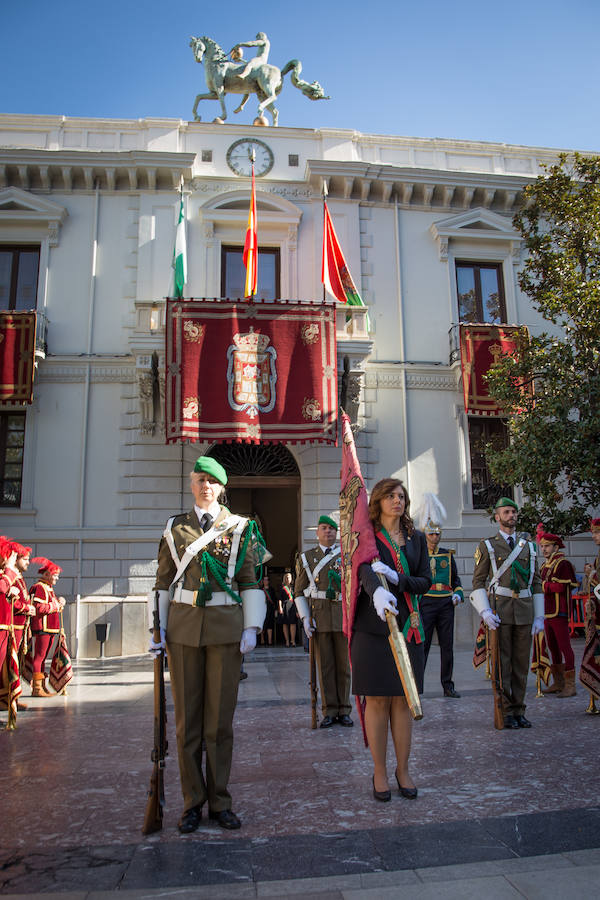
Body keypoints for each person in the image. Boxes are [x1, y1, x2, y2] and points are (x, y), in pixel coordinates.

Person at [150, 456, 268, 833]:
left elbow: (249, 581)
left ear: (222, 488)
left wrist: (252, 626)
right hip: (183, 631)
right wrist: (157, 630)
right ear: (191, 484)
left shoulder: (240, 528)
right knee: (188, 724)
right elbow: (163, 583)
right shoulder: (174, 528)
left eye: (212, 482)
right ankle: (191, 802)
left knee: (219, 723)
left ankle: (219, 801)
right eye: (200, 480)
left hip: (225, 631)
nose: (206, 487)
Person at [350, 478, 431, 801]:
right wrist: (377, 590)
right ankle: (380, 772)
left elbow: (425, 580)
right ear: (378, 501)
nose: (397, 501)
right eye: (390, 496)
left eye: (401, 496)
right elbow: (361, 569)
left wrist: (398, 578)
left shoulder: (417, 539)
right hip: (372, 628)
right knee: (377, 700)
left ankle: (403, 769)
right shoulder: (366, 536)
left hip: (409, 627)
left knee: (403, 701)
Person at [470, 497, 544, 729]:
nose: (511, 515)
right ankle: (505, 710)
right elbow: (478, 580)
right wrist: (484, 611)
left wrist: (539, 615)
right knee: (502, 663)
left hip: (524, 610)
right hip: (500, 610)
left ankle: (519, 710)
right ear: (497, 517)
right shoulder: (488, 546)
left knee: (521, 664)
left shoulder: (529, 546)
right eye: (506, 512)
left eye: (513, 511)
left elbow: (537, 582)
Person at [294, 515, 352, 727]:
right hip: (319, 618)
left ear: (336, 533)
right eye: (324, 528)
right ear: (317, 532)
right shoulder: (307, 558)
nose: (328, 532)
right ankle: (329, 710)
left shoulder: (346, 556)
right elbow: (298, 591)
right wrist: (305, 618)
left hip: (342, 618)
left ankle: (344, 709)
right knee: (325, 666)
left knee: (344, 667)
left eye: (332, 529)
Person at [416, 493, 463, 699]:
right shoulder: (419, 555)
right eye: (431, 534)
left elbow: (456, 581)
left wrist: (458, 595)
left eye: (437, 534)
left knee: (447, 646)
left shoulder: (447, 554)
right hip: (426, 602)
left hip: (445, 603)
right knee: (422, 646)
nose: (435, 537)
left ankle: (448, 684)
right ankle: (417, 685)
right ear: (425, 533)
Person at [537, 524, 578, 697]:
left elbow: (561, 587)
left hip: (559, 612)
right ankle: (559, 682)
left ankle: (570, 684)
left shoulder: (563, 564)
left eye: (547, 546)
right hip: (546, 612)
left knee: (564, 647)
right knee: (552, 647)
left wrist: (544, 585)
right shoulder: (545, 565)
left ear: (555, 546)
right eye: (542, 546)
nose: (544, 549)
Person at [5, 542, 36, 710]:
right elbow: (11, 602)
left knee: (16, 662)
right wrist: (26, 608)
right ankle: (10, 698)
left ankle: (13, 698)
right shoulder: (10, 577)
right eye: (25, 559)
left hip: (20, 627)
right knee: (11, 663)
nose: (28, 562)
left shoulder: (17, 577)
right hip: (12, 626)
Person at [30, 558, 65, 697]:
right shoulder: (39, 587)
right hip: (43, 627)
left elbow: (52, 606)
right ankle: (37, 688)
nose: (57, 578)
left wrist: (59, 603)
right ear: (46, 574)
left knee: (43, 657)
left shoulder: (48, 588)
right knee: (39, 657)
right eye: (55, 575)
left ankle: (42, 686)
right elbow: (38, 607)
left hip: (50, 628)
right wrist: (55, 605)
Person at [280, 570, 298, 647]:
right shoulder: (282, 588)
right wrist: (280, 607)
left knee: (293, 623)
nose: (288, 579)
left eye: (289, 577)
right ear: (285, 578)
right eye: (286, 577)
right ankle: (287, 641)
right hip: (284, 606)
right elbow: (279, 599)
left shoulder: (294, 588)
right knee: (285, 624)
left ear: (291, 579)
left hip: (293, 606)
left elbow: (297, 598)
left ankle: (293, 641)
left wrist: (298, 610)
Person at [260, 573, 276, 646]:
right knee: (263, 625)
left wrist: (276, 609)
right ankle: (262, 640)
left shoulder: (272, 590)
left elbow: (274, 600)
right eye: (264, 580)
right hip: (262, 609)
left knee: (270, 624)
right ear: (262, 581)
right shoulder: (260, 590)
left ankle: (270, 641)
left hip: (270, 609)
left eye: (267, 580)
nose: (266, 581)